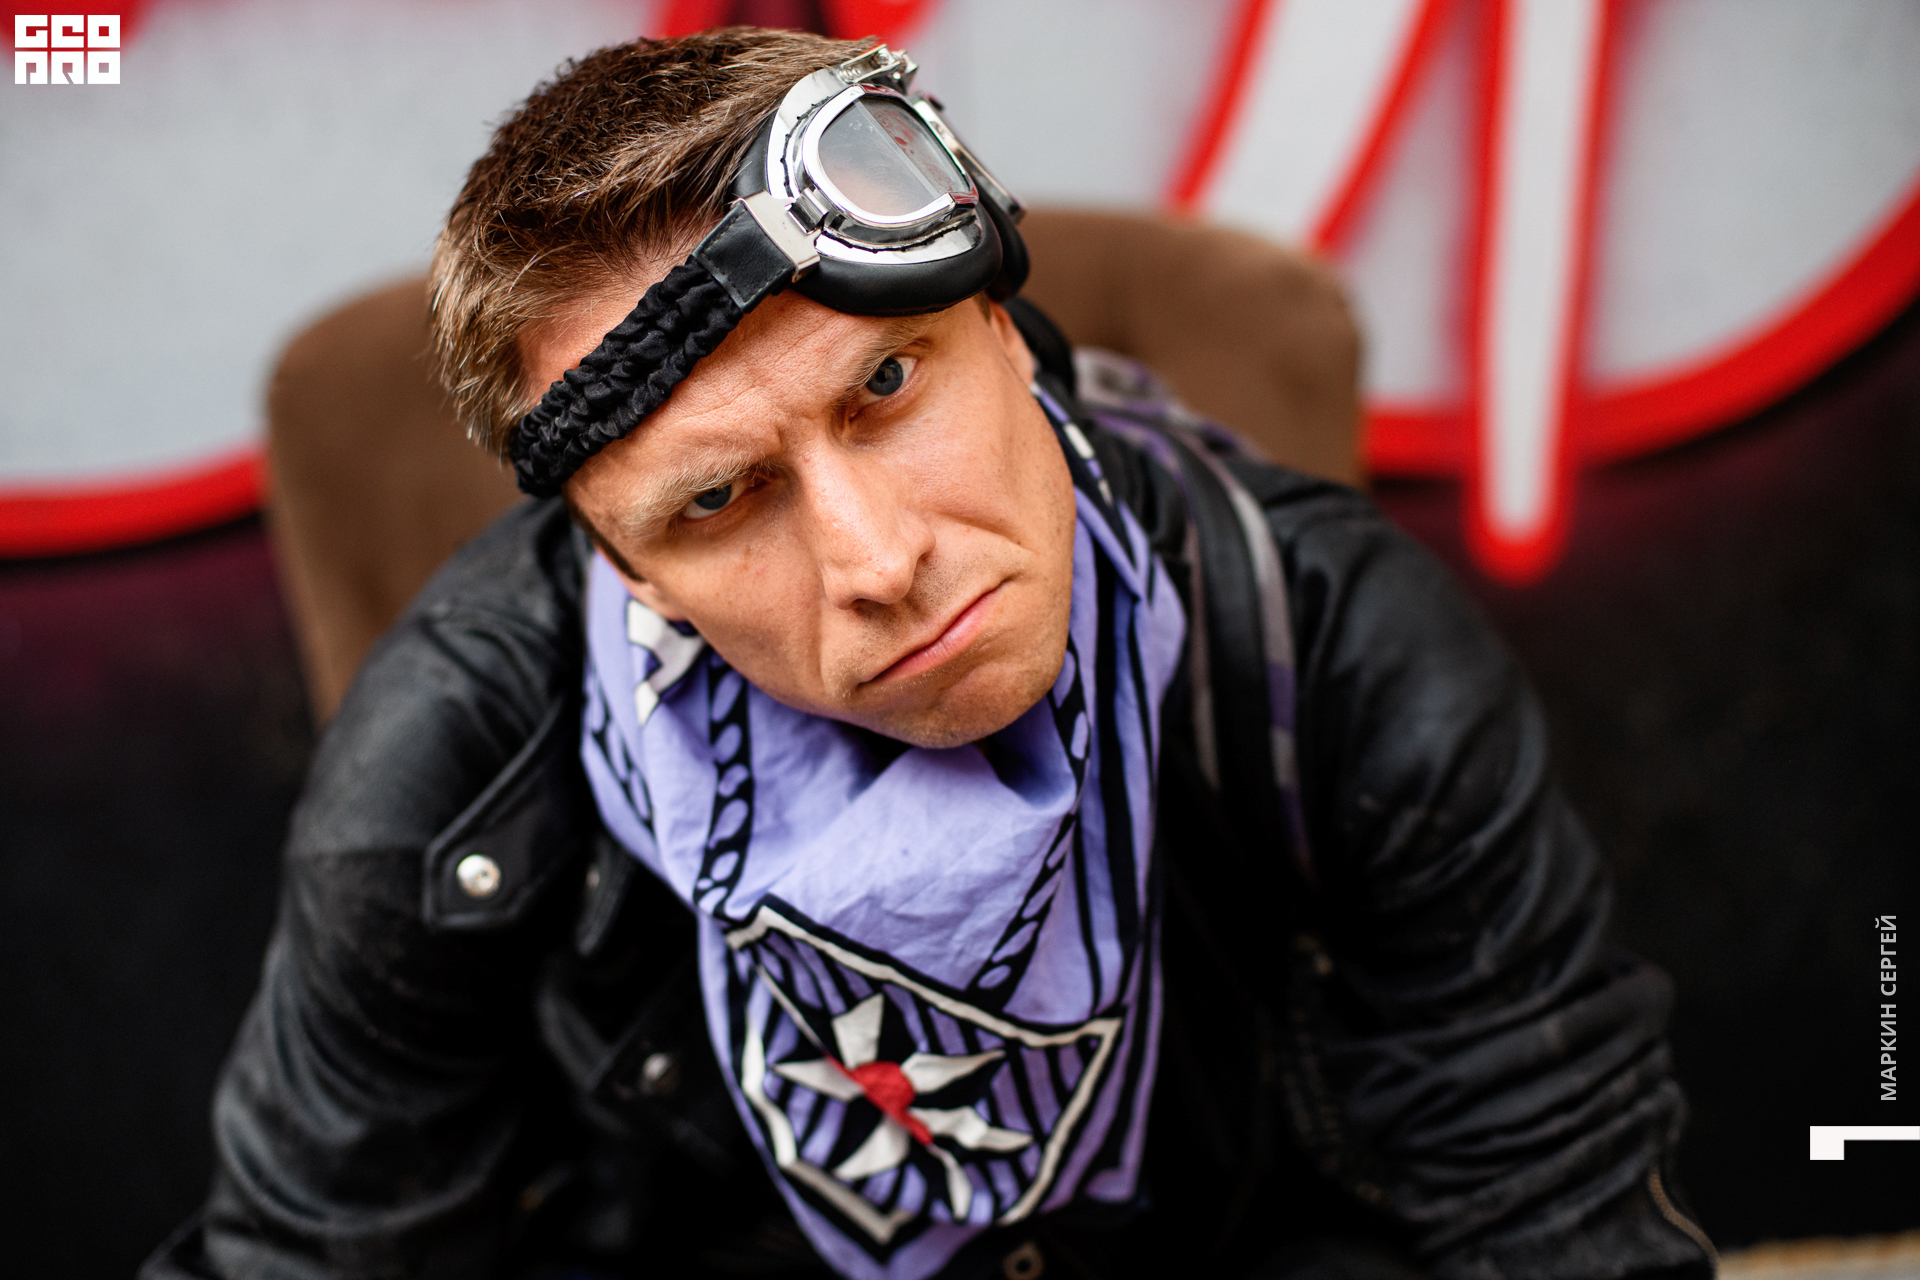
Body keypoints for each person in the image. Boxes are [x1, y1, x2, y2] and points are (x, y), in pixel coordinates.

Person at [146, 27, 1715, 1280]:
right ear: (630, 573)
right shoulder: (452, 766)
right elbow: (313, 1248)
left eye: (888, 385)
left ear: (1007, 336)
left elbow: (1544, 1186)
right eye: (719, 500)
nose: (878, 562)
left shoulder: (1317, 631)